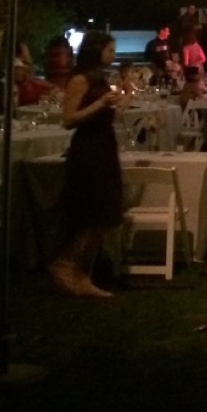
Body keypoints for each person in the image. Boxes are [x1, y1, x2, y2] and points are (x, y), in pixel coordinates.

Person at [51, 30, 126, 297]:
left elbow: (106, 113)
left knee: (106, 209)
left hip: (104, 145)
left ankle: (82, 272)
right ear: (96, 50)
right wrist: (101, 103)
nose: (113, 55)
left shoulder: (99, 78)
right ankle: (68, 265)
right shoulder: (80, 79)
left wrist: (120, 101)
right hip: (88, 148)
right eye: (110, 50)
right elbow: (68, 119)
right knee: (93, 210)